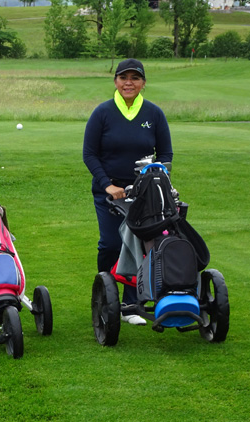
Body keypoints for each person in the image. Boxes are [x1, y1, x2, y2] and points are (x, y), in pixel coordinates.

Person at [83, 58, 173, 326]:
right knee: (111, 243)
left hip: (145, 192)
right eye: (123, 77)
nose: (129, 83)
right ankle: (105, 293)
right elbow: (90, 154)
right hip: (109, 191)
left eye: (135, 78)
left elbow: (165, 153)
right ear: (115, 81)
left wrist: (159, 179)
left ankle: (131, 304)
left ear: (143, 83)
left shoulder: (154, 114)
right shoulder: (103, 113)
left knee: (141, 245)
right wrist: (107, 185)